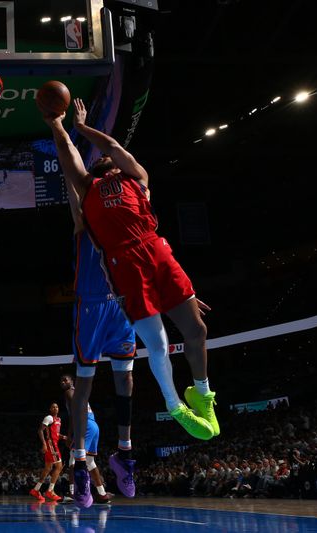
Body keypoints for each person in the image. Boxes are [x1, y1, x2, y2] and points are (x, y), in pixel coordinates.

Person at [43, 99, 218, 441]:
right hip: (124, 265)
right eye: (100, 161)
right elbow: (69, 159)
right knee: (158, 343)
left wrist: (82, 127)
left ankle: (202, 393)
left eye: (108, 158)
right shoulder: (87, 188)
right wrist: (59, 126)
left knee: (196, 330)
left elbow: (110, 145)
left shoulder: (137, 179)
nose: (104, 157)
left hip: (156, 249)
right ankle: (174, 404)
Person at [61, 160, 139, 501]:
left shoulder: (130, 210)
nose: (112, 172)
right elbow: (72, 177)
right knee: (85, 383)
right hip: (92, 305)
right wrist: (62, 133)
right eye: (104, 169)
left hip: (122, 303)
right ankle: (79, 464)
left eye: (114, 169)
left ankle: (124, 453)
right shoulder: (86, 215)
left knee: (126, 379)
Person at [60, 375, 112, 506]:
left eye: (65, 379)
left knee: (74, 458)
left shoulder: (69, 392)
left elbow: (74, 413)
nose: (63, 382)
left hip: (85, 425)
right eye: (61, 381)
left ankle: (73, 493)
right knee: (90, 462)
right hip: (94, 425)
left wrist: (70, 433)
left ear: (71, 381)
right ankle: (102, 494)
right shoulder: (79, 392)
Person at [29, 403, 65, 502]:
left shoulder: (59, 420)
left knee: (48, 468)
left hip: (55, 444)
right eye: (53, 407)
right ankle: (50, 491)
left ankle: (36, 490)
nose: (55, 408)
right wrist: (44, 444)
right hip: (51, 445)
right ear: (50, 409)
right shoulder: (49, 418)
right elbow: (40, 430)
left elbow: (56, 434)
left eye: (57, 406)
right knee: (58, 466)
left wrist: (63, 437)